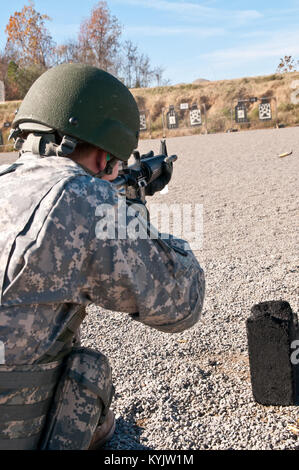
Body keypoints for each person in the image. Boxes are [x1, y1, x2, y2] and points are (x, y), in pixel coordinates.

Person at [0, 63, 205, 450]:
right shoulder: (78, 199)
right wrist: (134, 217)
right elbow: (183, 303)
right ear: (103, 160)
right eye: (115, 164)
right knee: (88, 374)